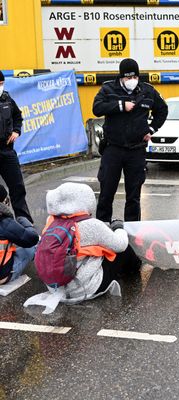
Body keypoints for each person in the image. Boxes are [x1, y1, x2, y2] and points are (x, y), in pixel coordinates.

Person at [92, 58, 168, 223]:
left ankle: (132, 231)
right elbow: (97, 108)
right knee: (106, 192)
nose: (132, 81)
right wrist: (120, 105)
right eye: (128, 78)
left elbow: (162, 110)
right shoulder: (108, 89)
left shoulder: (148, 91)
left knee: (134, 195)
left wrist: (152, 129)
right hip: (113, 148)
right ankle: (102, 227)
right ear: (121, 77)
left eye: (134, 77)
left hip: (136, 150)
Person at [38, 182, 142, 302]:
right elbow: (120, 245)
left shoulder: (51, 221)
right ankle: (136, 269)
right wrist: (119, 228)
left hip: (55, 287)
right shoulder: (92, 225)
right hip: (85, 289)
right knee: (124, 250)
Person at [0, 71, 33, 223]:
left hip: (7, 150)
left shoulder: (7, 99)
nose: (1, 87)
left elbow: (17, 116)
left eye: (1, 84)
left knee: (18, 186)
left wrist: (16, 131)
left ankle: (24, 220)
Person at [0, 184, 39, 285]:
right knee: (33, 246)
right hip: (3, 276)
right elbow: (32, 239)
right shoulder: (5, 222)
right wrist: (25, 222)